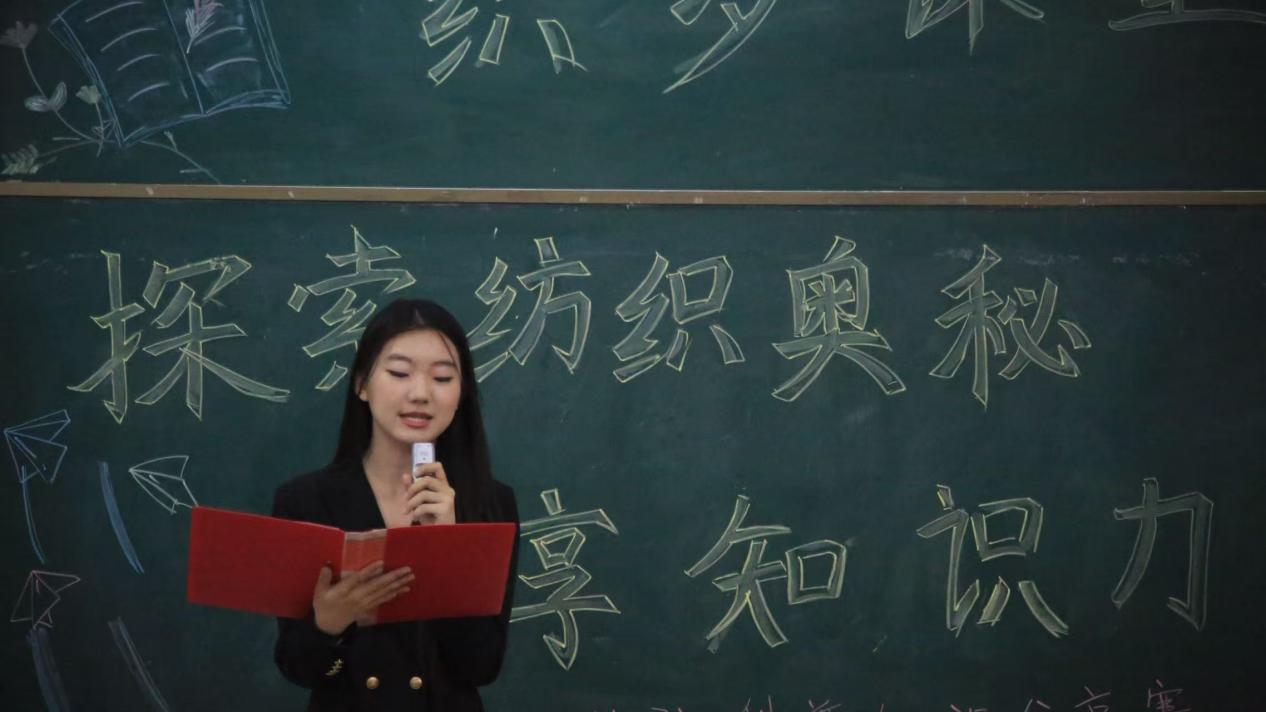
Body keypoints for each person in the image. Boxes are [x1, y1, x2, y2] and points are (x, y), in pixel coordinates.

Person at [272, 299, 519, 711]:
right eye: (399, 373)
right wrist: (328, 625)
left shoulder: (490, 503)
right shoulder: (305, 501)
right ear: (362, 384)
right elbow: (299, 668)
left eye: (442, 377)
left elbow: (481, 666)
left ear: (461, 393)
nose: (420, 394)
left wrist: (450, 545)